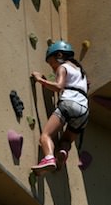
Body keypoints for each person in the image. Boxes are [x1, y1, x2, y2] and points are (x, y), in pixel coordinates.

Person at [31, 41, 89, 174]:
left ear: (59, 55)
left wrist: (40, 80)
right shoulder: (81, 72)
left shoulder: (62, 67)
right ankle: (62, 152)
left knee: (45, 135)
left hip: (69, 104)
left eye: (52, 63)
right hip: (84, 112)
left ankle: (49, 158)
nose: (53, 68)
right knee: (67, 140)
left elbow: (58, 87)